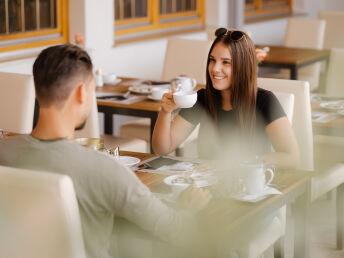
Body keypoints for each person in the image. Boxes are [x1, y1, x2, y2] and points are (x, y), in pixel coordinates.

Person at [0, 44, 212, 258]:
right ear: (82, 93)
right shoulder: (104, 168)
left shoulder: (4, 152)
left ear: (37, 90)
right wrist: (188, 208)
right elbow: (177, 231)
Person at [152, 28, 300, 169]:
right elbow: (162, 149)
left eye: (226, 62)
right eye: (212, 60)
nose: (215, 68)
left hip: (247, 186)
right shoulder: (203, 99)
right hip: (207, 187)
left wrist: (239, 163)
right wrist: (165, 112)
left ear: (243, 66)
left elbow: (292, 157)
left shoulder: (264, 101)